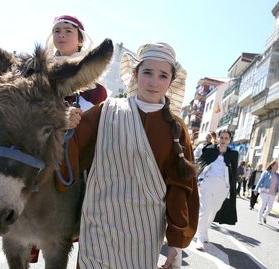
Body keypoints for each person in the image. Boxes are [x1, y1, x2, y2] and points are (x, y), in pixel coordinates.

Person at [69, 42, 198, 269]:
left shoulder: (177, 129)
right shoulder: (106, 110)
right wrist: (66, 123)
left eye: (162, 75)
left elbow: (180, 187)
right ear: (136, 73)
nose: (153, 82)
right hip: (98, 226)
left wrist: (176, 244)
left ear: (171, 81)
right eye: (147, 72)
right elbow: (71, 148)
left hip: (143, 236)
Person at [29, 14, 109, 264]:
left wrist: (76, 120)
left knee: (95, 188)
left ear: (80, 39)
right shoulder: (36, 71)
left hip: (77, 152)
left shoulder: (96, 85)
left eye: (67, 31)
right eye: (57, 31)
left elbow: (97, 122)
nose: (61, 35)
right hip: (39, 145)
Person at [195, 129, 238, 251]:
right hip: (207, 183)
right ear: (218, 138)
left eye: (226, 138)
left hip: (222, 187)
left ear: (229, 140)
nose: (223, 140)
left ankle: (204, 231)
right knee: (205, 210)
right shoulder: (210, 149)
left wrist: (231, 188)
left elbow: (233, 173)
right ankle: (199, 237)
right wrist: (198, 178)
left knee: (213, 211)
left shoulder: (233, 154)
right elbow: (200, 163)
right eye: (222, 137)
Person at [254, 160, 279, 225]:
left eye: (278, 165)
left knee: (270, 207)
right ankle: (259, 219)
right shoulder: (266, 172)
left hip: (272, 193)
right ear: (272, 166)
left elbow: (278, 184)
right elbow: (260, 181)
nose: (277, 167)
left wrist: (278, 191)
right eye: (276, 165)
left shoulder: (277, 175)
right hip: (264, 191)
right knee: (263, 205)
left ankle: (264, 216)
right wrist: (256, 189)